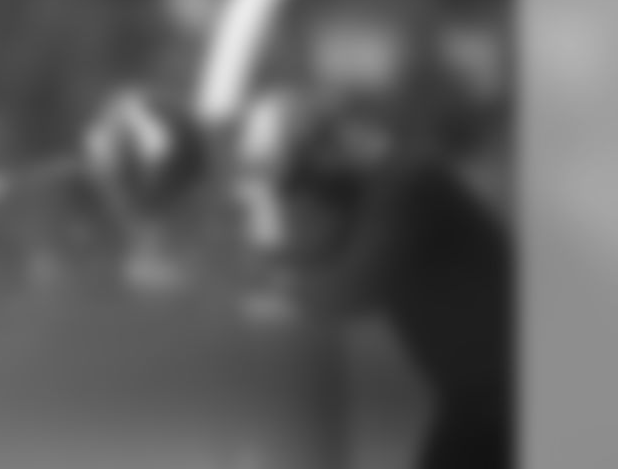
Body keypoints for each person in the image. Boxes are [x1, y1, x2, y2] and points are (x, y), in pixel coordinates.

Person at [80, 81, 514, 469]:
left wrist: (248, 276)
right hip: (481, 398)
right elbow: (316, 256)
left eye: (291, 189)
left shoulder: (410, 187)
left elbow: (343, 291)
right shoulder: (389, 187)